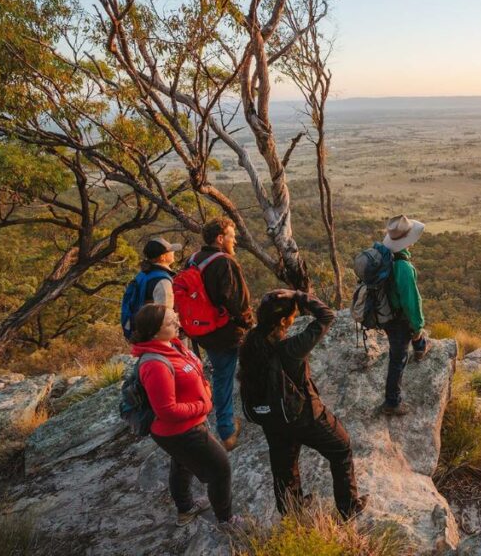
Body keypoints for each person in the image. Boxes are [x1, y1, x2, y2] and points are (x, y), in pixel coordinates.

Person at [238, 289, 366, 519]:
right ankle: (348, 508)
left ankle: (292, 514)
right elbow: (326, 316)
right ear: (283, 321)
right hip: (304, 416)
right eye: (293, 314)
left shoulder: (251, 342)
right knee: (342, 447)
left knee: (284, 468)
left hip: (272, 418)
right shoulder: (291, 348)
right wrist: (298, 294)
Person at [130, 303, 243, 531]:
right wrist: (203, 406)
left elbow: (192, 374)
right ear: (154, 331)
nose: (178, 322)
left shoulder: (172, 345)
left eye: (176, 317)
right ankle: (226, 520)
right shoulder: (155, 364)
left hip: (186, 426)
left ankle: (185, 509)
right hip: (180, 431)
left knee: (182, 464)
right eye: (171, 322)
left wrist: (205, 387)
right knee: (220, 468)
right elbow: (167, 411)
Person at [187, 217, 253, 451]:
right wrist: (249, 324)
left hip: (204, 332)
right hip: (226, 333)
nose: (234, 241)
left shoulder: (193, 259)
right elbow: (238, 302)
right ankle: (226, 431)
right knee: (228, 376)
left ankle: (227, 422)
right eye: (231, 237)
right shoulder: (225, 263)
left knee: (222, 376)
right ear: (220, 238)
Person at [378, 215, 431, 416]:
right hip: (399, 320)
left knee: (402, 344)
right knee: (397, 359)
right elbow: (412, 303)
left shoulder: (385, 257)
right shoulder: (403, 267)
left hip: (386, 313)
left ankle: (420, 347)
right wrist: (418, 327)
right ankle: (392, 402)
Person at [120, 237, 182, 339]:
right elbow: (165, 316)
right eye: (170, 251)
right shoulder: (163, 281)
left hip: (140, 329)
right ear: (162, 257)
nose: (173, 252)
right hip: (156, 336)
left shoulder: (143, 274)